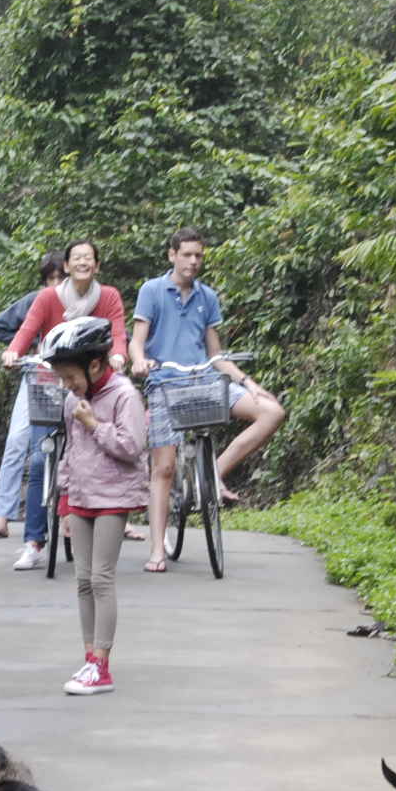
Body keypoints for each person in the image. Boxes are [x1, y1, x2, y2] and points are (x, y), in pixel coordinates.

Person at [129, 227, 286, 567]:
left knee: (271, 411)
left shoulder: (207, 296)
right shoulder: (152, 291)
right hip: (165, 384)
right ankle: (157, 549)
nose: (193, 261)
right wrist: (139, 360)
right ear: (172, 255)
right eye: (186, 254)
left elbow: (217, 354)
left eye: (198, 255)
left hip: (204, 382)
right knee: (164, 468)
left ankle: (213, 472)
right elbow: (136, 340)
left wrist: (249, 383)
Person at [0, 239, 128, 571]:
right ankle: (33, 541)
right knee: (42, 458)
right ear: (67, 266)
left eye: (89, 258)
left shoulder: (108, 296)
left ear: (97, 265)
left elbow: (118, 333)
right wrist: (13, 351)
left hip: (90, 385)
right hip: (51, 385)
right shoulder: (48, 297)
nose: (83, 262)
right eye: (77, 258)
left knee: (93, 456)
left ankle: (93, 527)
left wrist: (118, 355)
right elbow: (28, 330)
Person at [40, 316, 148, 695]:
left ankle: (102, 666)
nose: (66, 385)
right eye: (61, 378)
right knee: (82, 580)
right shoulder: (73, 400)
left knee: (102, 578)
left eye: (70, 376)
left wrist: (92, 423)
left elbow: (132, 446)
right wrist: (65, 500)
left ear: (96, 365)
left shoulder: (124, 396)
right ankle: (88, 659)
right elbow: (69, 453)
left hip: (113, 497)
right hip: (83, 497)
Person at [0, 251, 66, 541]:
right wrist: (23, 348)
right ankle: (2, 516)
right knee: (17, 441)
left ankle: (115, 517)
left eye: (60, 278)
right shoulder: (34, 301)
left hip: (73, 382)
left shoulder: (82, 302)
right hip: (37, 380)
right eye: (50, 279)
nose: (54, 284)